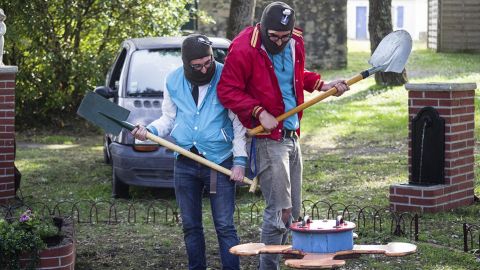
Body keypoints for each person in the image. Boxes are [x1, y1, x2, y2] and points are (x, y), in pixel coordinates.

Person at [216, 2, 349, 269]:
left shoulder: (295, 41)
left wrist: (323, 84)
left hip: (292, 134)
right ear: (263, 27)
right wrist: (257, 110)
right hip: (268, 137)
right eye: (273, 36)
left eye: (283, 36)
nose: (278, 41)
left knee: (294, 213)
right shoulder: (244, 48)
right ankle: (269, 267)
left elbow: (295, 76)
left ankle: (290, 261)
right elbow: (227, 90)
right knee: (280, 211)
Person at [131, 34, 247, 270]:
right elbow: (168, 118)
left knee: (225, 226)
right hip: (185, 161)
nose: (205, 70)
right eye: (198, 66)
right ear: (186, 63)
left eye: (208, 62)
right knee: (191, 226)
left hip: (219, 161)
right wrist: (149, 129)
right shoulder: (173, 80)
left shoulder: (226, 75)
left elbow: (238, 123)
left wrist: (240, 161)